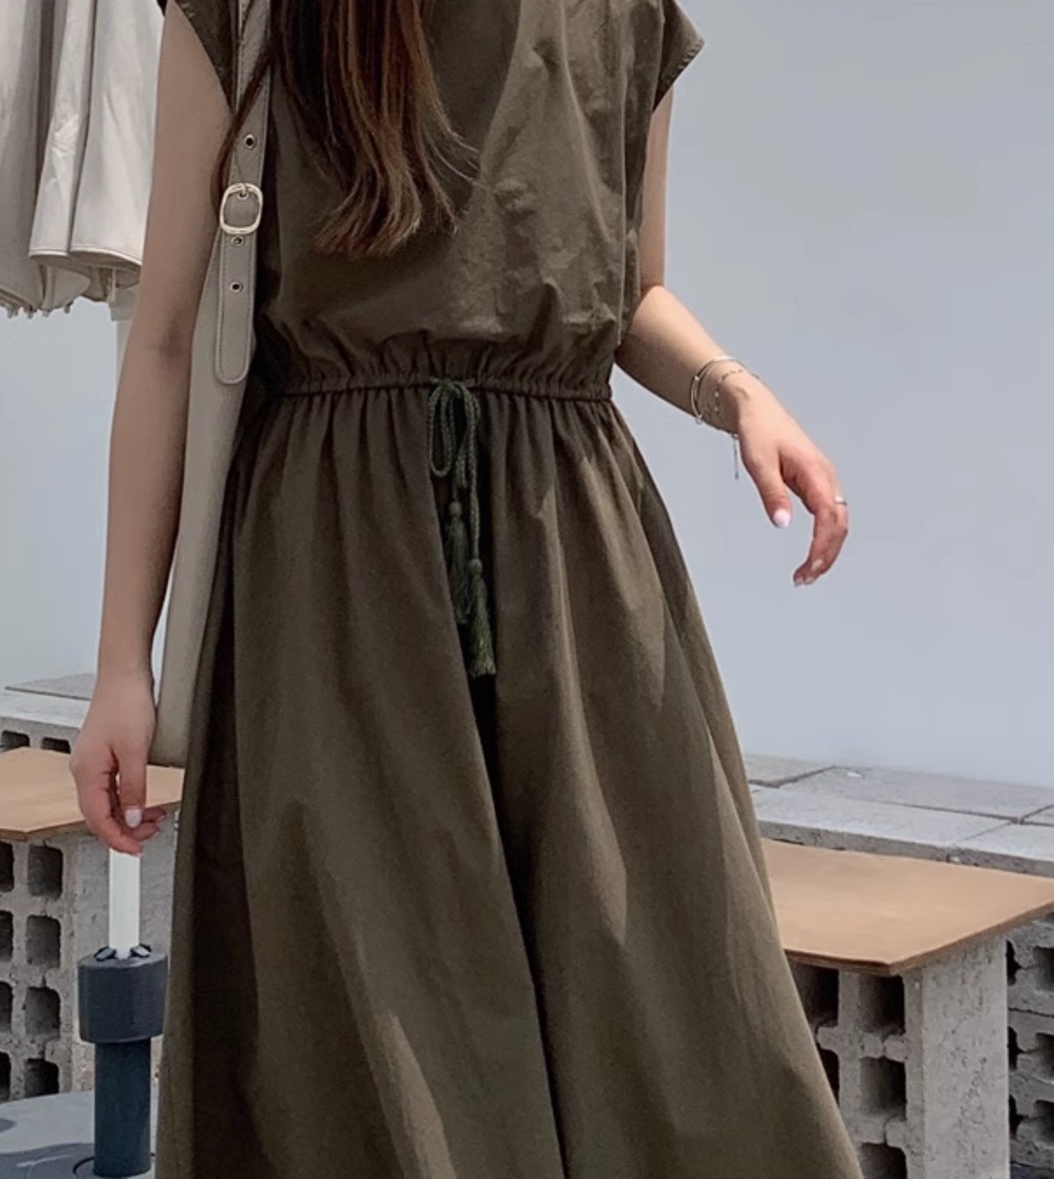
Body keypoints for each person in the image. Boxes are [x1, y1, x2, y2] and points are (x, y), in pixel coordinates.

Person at [71, 0, 860, 1174]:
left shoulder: (627, 18)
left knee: (659, 1000)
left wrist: (736, 393)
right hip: (333, 575)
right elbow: (170, 336)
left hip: (574, 561)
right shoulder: (245, 14)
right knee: (382, 1039)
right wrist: (119, 668)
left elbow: (630, 291)